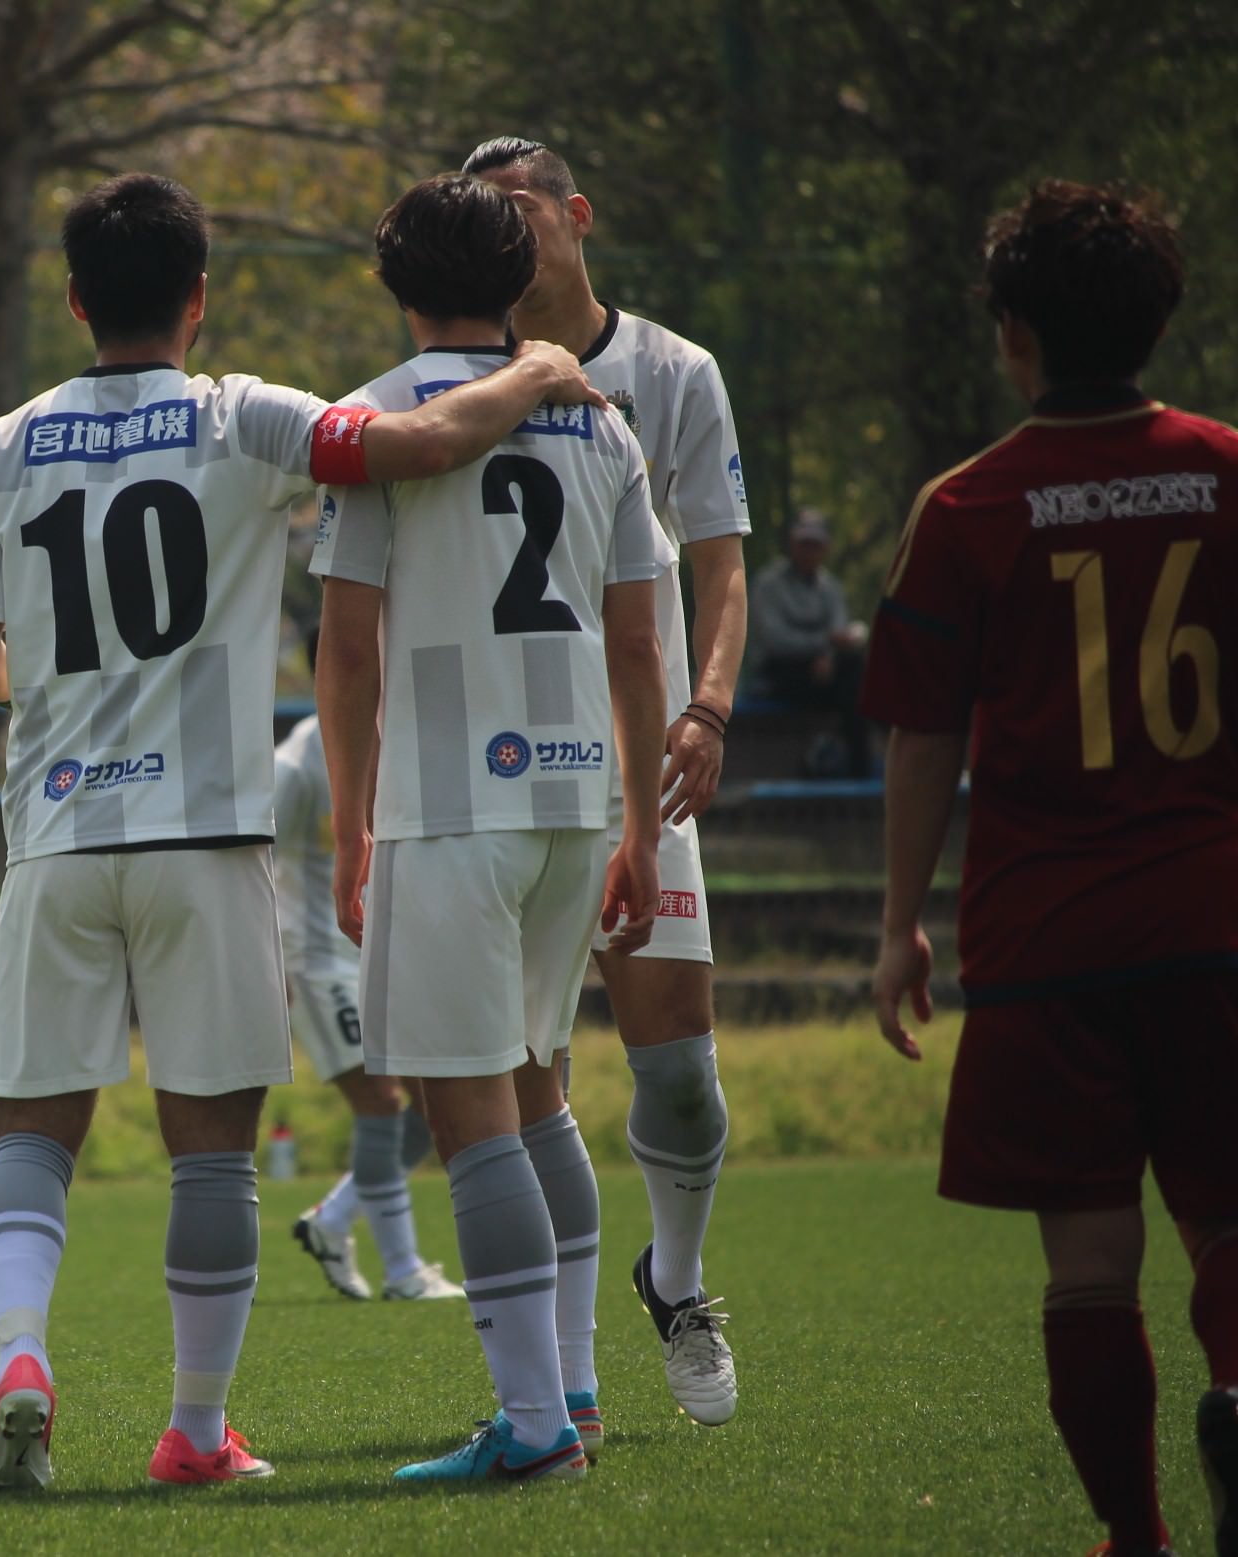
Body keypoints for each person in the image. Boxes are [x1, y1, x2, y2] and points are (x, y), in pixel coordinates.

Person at [0, 170, 599, 1494]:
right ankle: (194, 1432)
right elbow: (414, 444)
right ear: (198, 297)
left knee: (32, 1135)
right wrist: (535, 369)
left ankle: (21, 1356)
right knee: (214, 1157)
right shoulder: (244, 416)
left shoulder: (7, 441)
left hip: (56, 837)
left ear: (73, 300)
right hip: (206, 835)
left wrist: (62, 698)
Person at [864, 179, 1238, 1557]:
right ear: (1158, 319)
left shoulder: (967, 505)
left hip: (1042, 931)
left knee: (1088, 1261)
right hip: (1213, 908)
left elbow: (921, 732)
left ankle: (1136, 1536)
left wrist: (900, 923)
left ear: (1012, 333)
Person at [312, 172, 671, 1484]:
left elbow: (348, 652)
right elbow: (638, 645)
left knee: (470, 1115)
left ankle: (530, 1429)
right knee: (537, 1090)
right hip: (577, 797)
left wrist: (349, 825)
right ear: (520, 275)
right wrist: (639, 823)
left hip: (452, 803)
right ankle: (571, 1392)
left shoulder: (375, 422)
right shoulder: (602, 425)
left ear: (394, 283)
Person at [464, 133, 749, 1424]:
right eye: (482, 215)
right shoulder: (454, 384)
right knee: (532, 1078)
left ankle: (674, 1282)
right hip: (501, 778)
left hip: (638, 767)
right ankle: (556, 1382)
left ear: (576, 214)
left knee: (676, 1065)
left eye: (522, 207)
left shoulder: (672, 372)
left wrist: (707, 706)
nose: (507, 231)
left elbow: (719, 564)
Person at [278, 635, 463, 1305]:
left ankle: (333, 1220)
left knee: (436, 1101)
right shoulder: (296, 763)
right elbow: (257, 864)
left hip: (382, 950)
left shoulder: (405, 742)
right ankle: (404, 1270)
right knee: (381, 1101)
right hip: (317, 958)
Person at [747, 507, 872, 776]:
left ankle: (859, 765)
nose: (808, 551)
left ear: (825, 548)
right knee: (849, 679)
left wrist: (828, 656)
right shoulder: (769, 584)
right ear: (792, 543)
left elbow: (842, 634)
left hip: (825, 671)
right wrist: (823, 644)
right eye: (804, 543)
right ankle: (856, 765)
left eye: (815, 544)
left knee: (857, 670)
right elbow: (775, 640)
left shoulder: (831, 588)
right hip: (777, 673)